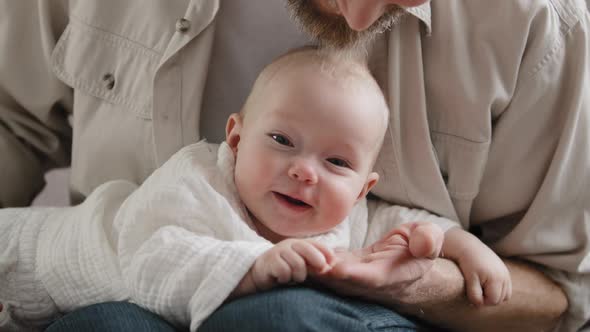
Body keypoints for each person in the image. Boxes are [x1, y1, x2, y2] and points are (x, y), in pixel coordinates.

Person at [0, 0, 588, 331]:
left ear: (365, 187)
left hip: (339, 320)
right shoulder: (194, 182)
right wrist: (253, 265)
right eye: (280, 140)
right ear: (233, 138)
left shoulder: (546, 25)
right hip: (113, 285)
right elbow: (152, 253)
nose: (358, 20)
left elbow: (559, 292)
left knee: (285, 317)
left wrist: (446, 265)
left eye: (337, 163)